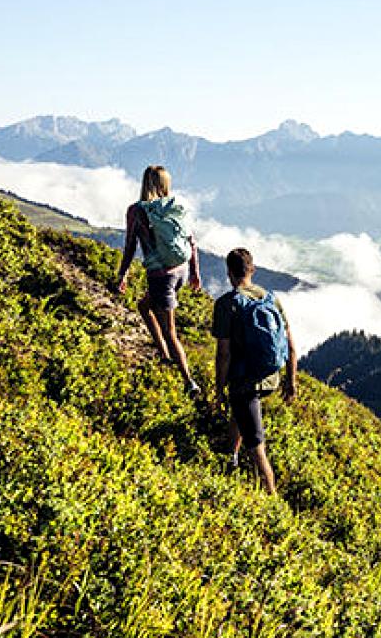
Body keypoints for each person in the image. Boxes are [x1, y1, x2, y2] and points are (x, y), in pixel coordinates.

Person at [212, 247, 297, 491]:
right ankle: (230, 457)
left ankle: (272, 503)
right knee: (239, 415)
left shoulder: (227, 304)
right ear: (253, 270)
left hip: (245, 382)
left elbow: (224, 354)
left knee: (257, 447)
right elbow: (291, 346)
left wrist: (219, 389)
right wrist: (291, 382)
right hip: (271, 377)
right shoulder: (270, 299)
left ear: (229, 273)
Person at [114, 165, 203, 395]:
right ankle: (164, 356)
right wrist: (195, 273)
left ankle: (189, 381)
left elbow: (131, 245)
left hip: (161, 276)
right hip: (181, 271)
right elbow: (191, 242)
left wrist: (122, 274)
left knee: (170, 331)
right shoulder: (177, 207)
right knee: (144, 306)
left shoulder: (136, 211)